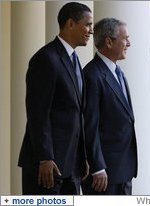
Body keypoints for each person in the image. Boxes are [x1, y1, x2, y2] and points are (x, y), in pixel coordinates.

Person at [18, 2, 93, 195]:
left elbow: (76, 113)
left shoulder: (75, 60)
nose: (91, 31)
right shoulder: (45, 59)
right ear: (70, 24)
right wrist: (45, 158)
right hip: (48, 168)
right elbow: (37, 113)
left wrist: (81, 156)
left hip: (71, 167)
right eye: (87, 24)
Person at [82, 18, 137, 195]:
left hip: (123, 171)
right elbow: (90, 125)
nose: (129, 43)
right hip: (104, 176)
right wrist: (98, 167)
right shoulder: (92, 75)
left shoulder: (117, 72)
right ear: (108, 41)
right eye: (125, 38)